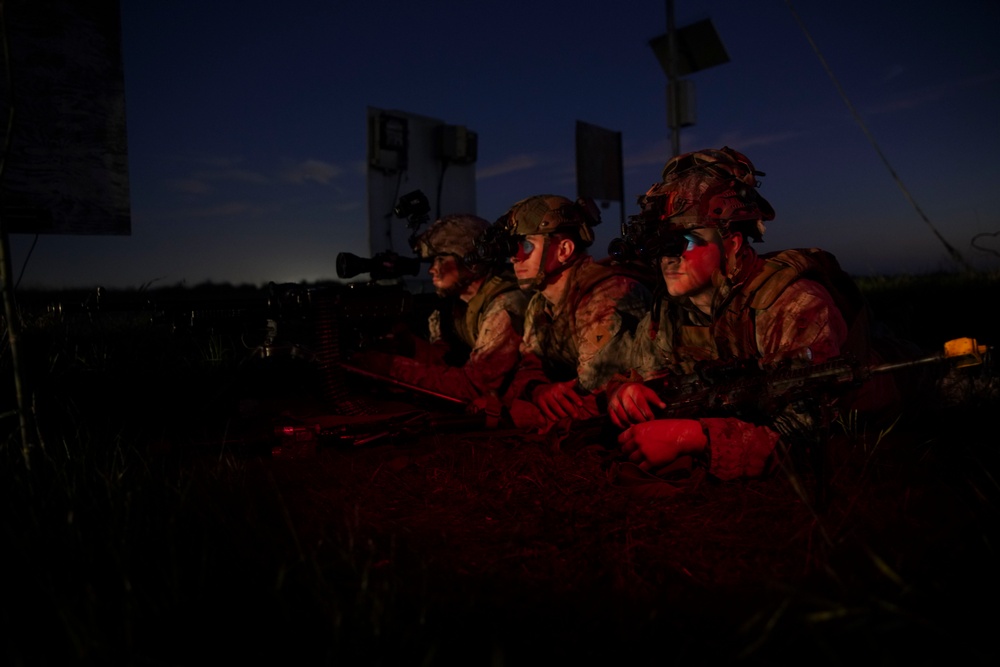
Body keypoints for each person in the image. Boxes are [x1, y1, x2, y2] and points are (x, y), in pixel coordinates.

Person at [604, 146, 906, 482]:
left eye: (687, 240)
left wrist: (694, 437)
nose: (670, 258)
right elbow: (635, 374)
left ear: (731, 243)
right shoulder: (673, 310)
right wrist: (625, 393)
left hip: (887, 402)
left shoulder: (793, 304)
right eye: (662, 246)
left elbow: (804, 437)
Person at [348, 213, 532, 423]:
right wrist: (409, 347)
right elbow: (447, 361)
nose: (432, 269)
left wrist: (392, 367)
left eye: (441, 259)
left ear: (472, 260)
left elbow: (472, 387)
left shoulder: (506, 305)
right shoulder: (460, 303)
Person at [491, 194, 655, 426]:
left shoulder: (608, 294)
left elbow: (594, 396)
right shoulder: (540, 303)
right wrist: (539, 390)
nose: (515, 257)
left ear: (564, 250)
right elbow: (527, 369)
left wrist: (515, 415)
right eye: (514, 247)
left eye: (526, 245)